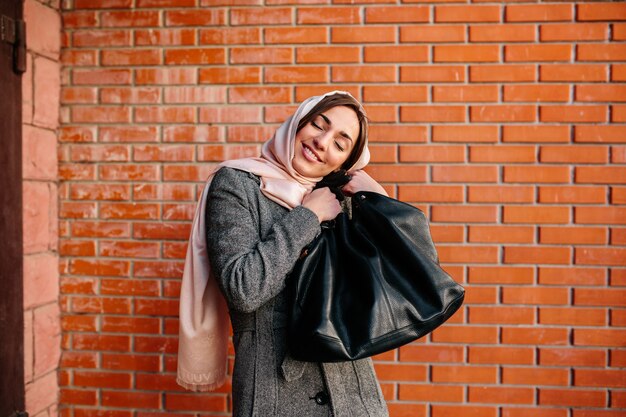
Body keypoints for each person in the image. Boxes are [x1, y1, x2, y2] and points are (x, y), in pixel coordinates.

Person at [177, 91, 389, 416]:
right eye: (318, 124)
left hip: (355, 396)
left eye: (340, 143)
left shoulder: (341, 200)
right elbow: (243, 289)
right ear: (298, 124)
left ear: (346, 162)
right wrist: (308, 217)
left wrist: (380, 207)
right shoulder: (237, 184)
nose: (322, 142)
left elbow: (382, 294)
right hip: (273, 396)